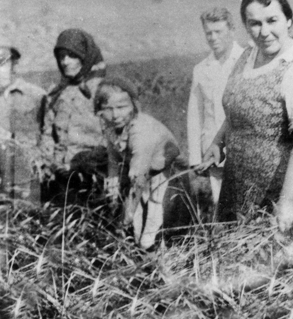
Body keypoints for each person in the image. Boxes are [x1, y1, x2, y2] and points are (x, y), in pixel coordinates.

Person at [198, 0, 293, 280]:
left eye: (272, 20)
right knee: (243, 274)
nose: (263, 31)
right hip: (242, 187)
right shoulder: (246, 58)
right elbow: (236, 112)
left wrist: (287, 203)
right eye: (254, 23)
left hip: (289, 189)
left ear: (288, 21)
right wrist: (218, 141)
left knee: (290, 280)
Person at [95, 77, 192, 251]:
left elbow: (138, 179)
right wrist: (112, 186)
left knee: (156, 216)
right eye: (108, 109)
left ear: (133, 105)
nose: (115, 115)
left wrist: (126, 217)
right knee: (137, 219)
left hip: (164, 170)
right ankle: (139, 248)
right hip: (141, 173)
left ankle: (156, 251)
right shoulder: (110, 127)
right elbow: (113, 158)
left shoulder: (141, 131)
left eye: (121, 107)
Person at [41, 28, 107, 203]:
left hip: (95, 177)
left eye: (72, 55)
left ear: (85, 56)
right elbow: (47, 134)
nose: (65, 62)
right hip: (60, 179)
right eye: (61, 56)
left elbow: (114, 137)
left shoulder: (104, 91)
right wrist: (51, 165)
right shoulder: (55, 95)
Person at [187, 7, 244, 206]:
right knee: (221, 205)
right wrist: (195, 156)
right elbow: (195, 115)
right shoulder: (201, 69)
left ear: (232, 30)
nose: (213, 38)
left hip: (243, 147)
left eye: (218, 32)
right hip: (213, 152)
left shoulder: (248, 59)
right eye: (208, 33)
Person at [0, 37, 46, 202]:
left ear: (14, 65)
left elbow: (49, 136)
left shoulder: (36, 95)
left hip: (26, 182)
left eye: (1, 63)